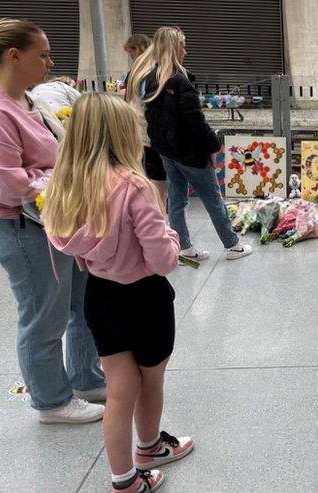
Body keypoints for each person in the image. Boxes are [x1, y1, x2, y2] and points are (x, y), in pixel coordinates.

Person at [0, 18, 106, 422]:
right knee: (43, 317)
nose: (50, 62)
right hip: (24, 231)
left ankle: (85, 378)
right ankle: (51, 401)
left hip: (57, 222)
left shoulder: (27, 100)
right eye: (42, 55)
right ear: (14, 56)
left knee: (81, 304)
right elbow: (8, 186)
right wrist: (64, 178)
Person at [44, 93, 193, 493]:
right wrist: (173, 236)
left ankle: (123, 479)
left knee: (118, 392)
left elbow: (65, 241)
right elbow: (162, 260)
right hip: (145, 298)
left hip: (101, 296)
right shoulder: (134, 187)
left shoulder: (68, 187)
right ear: (123, 135)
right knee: (152, 380)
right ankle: (150, 446)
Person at [126, 27, 251, 261]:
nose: (185, 50)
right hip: (191, 153)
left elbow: (150, 119)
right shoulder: (180, 81)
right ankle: (232, 245)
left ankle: (184, 248)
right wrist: (214, 146)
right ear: (174, 48)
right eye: (183, 45)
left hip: (166, 152)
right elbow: (196, 122)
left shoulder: (149, 79)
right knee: (213, 199)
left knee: (176, 201)